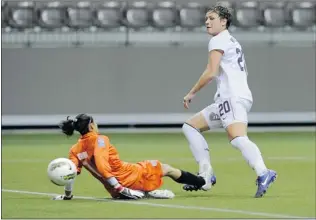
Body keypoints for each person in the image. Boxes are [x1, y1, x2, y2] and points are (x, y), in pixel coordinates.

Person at [181, 4, 277, 198]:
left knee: (237, 138)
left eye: (212, 18)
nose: (207, 22)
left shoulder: (219, 39)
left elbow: (211, 71)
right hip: (229, 98)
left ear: (223, 21)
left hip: (232, 97)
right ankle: (206, 174)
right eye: (206, 19)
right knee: (190, 126)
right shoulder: (230, 40)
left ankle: (263, 172)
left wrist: (192, 93)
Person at [53, 113, 208, 200]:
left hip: (112, 189)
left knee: (152, 169)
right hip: (129, 178)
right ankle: (202, 182)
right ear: (91, 126)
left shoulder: (75, 149)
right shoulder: (100, 139)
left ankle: (147, 192)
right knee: (165, 168)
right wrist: (121, 187)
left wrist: (67, 196)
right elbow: (102, 165)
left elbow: (70, 173)